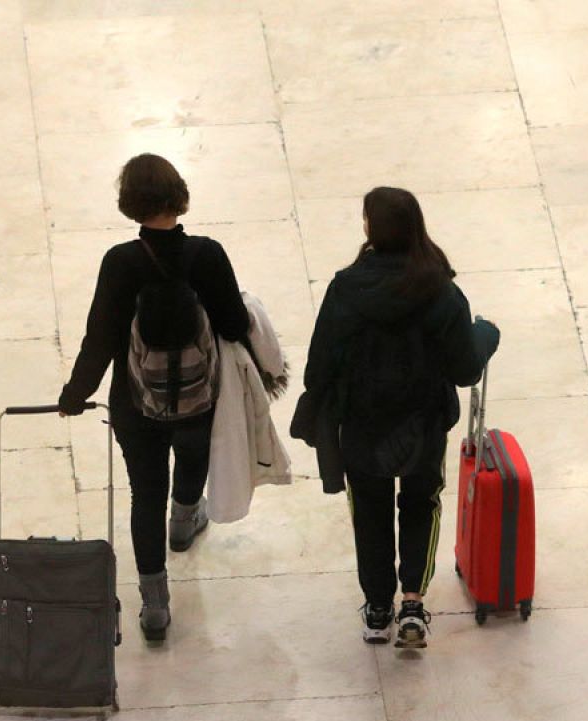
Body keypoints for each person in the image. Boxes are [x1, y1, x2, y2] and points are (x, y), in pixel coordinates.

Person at [57, 154, 250, 643]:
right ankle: (184, 520)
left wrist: (76, 394)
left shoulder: (120, 262)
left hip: (135, 401)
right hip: (198, 396)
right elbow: (233, 324)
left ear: (130, 204)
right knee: (191, 458)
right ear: (179, 196)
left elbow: (100, 337)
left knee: (145, 492)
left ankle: (155, 604)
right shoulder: (208, 254)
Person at [297, 187, 499, 650]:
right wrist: (485, 334)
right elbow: (466, 368)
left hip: (363, 428)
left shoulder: (346, 289)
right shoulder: (442, 291)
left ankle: (377, 608)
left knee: (368, 512)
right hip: (423, 426)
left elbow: (317, 367)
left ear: (370, 228)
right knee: (421, 504)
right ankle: (412, 601)